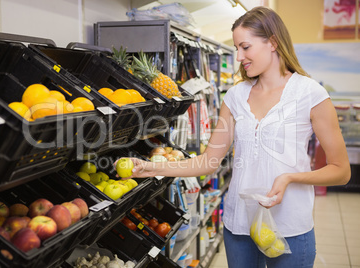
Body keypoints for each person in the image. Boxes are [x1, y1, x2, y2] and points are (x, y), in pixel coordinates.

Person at [119, 6, 351, 268]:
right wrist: (151, 168)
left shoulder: (310, 94)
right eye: (237, 48)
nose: (238, 56)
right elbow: (208, 162)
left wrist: (290, 177)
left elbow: (341, 171)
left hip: (290, 225)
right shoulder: (236, 96)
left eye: (245, 47)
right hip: (240, 226)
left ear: (272, 43)